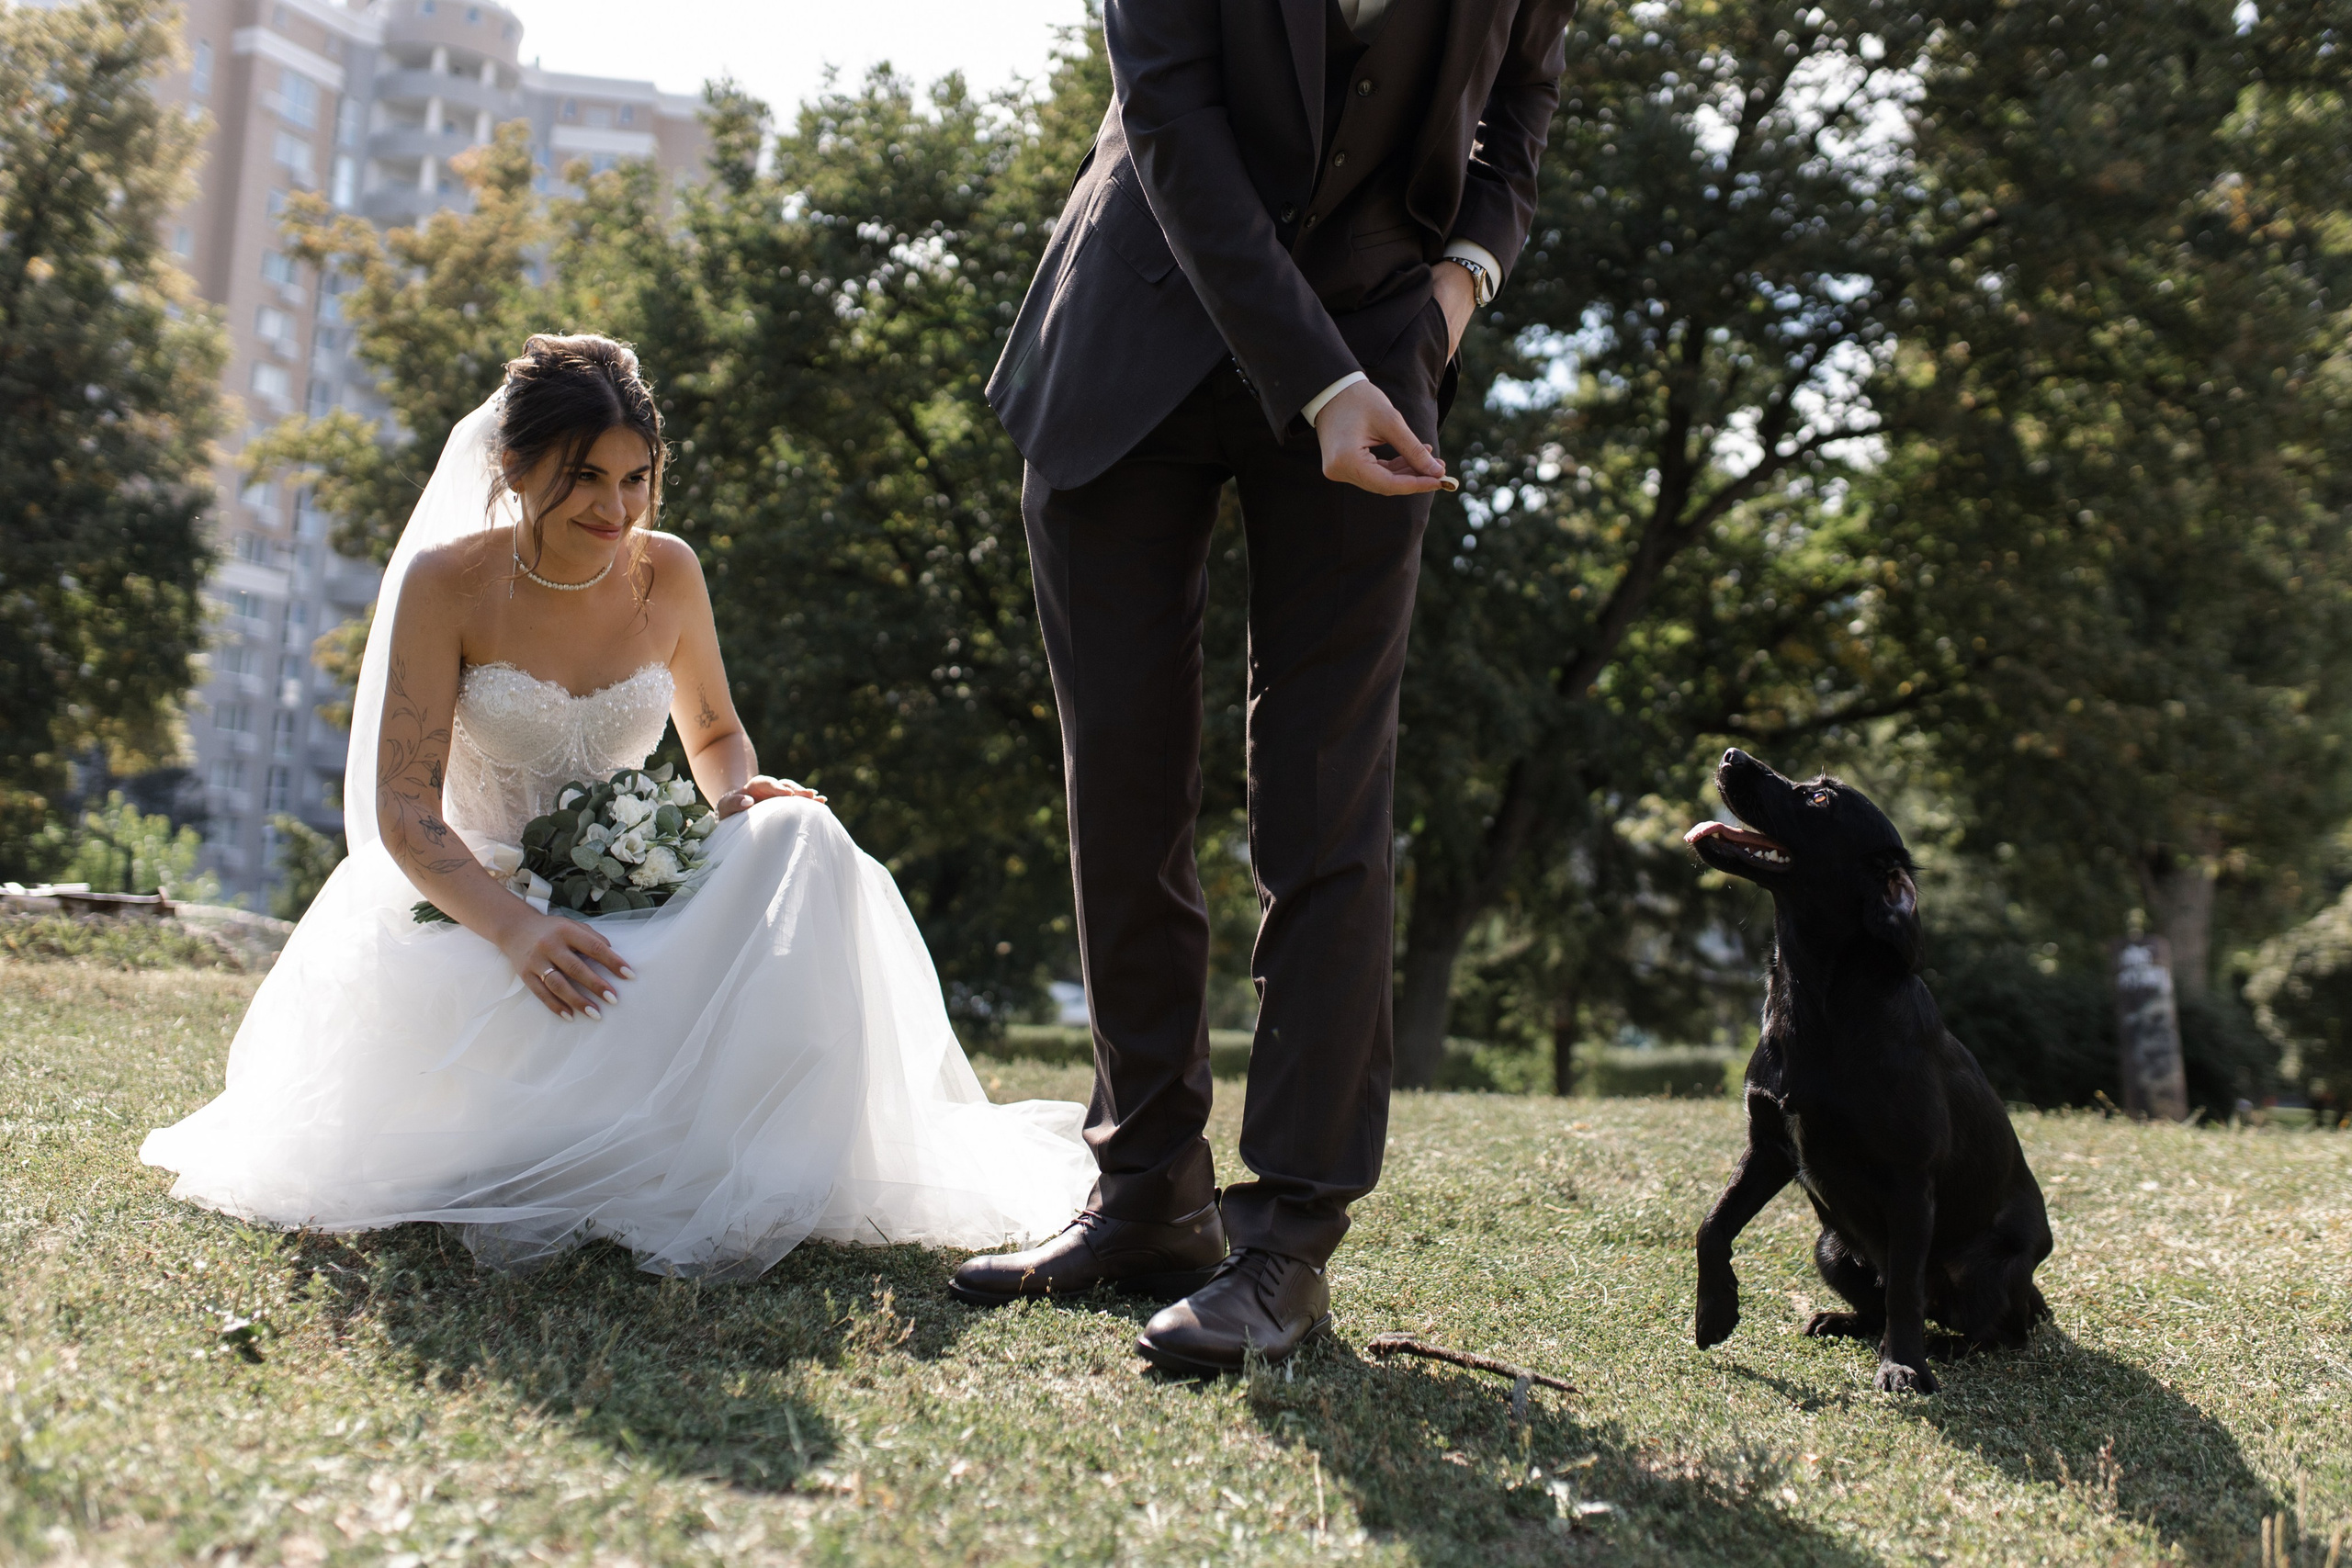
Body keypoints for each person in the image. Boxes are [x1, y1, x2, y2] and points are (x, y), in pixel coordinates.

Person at [141, 334, 1092, 1279]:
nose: (616, 507)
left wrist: (735, 794)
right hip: (483, 898)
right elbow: (403, 806)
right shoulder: (449, 585)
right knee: (534, 1018)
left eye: (637, 478)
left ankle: (774, 1153)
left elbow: (714, 733)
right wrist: (517, 932)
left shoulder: (666, 571)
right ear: (514, 467)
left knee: (802, 828)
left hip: (639, 881)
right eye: (585, 477)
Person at [952, 0, 1577, 1371]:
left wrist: (1453, 293)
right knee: (1120, 782)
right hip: (1136, 325)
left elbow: (1521, 110)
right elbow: (1173, 122)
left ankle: (1288, 1237)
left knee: (1323, 799)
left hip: (1385, 338)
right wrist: (1316, 378)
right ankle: (1146, 1193)